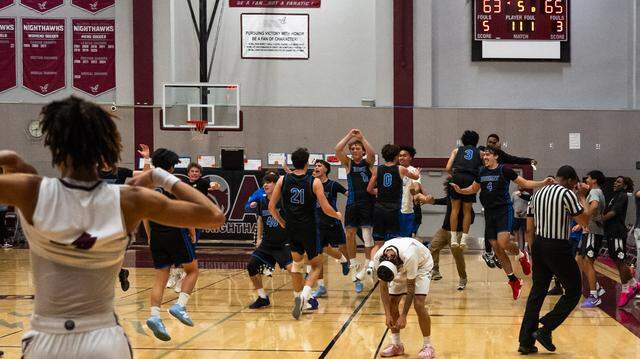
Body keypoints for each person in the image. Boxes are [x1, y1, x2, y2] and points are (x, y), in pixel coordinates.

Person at [0, 96, 225, 358]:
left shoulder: (31, 191)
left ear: (54, 144)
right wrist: (160, 176)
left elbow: (15, 165)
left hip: (47, 339)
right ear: (106, 149)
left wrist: (9, 157)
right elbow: (214, 216)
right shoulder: (129, 200)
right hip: (103, 339)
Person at [451, 147, 553, 300]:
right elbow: (473, 189)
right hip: (490, 213)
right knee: (497, 249)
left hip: (503, 210)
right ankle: (514, 281)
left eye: (488, 154)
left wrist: (543, 182)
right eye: (484, 154)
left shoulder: (504, 170)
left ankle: (521, 254)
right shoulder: (481, 172)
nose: (485, 157)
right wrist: (461, 191)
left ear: (496, 156)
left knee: (503, 242)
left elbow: (524, 182)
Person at [518, 165, 590, 355]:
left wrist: (533, 252)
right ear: (568, 179)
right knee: (574, 290)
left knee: (537, 292)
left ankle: (525, 342)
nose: (574, 186)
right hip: (557, 246)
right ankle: (546, 328)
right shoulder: (566, 194)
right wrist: (581, 196)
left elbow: (529, 228)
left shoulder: (537, 195)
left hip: (539, 245)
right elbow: (584, 221)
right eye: (574, 183)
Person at [269, 148, 342, 319]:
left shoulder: (282, 179)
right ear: (307, 161)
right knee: (317, 265)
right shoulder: (314, 182)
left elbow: (272, 207)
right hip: (309, 228)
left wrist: (281, 222)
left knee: (297, 264)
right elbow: (325, 208)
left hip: (291, 228)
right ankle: (304, 296)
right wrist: (337, 215)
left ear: (293, 162)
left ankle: (298, 298)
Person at [142, 148, 204, 341]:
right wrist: (192, 231)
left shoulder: (148, 183)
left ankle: (154, 316)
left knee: (161, 277)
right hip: (176, 231)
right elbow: (187, 211)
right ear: (171, 166)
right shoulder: (176, 183)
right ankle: (180, 306)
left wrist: (150, 235)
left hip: (156, 234)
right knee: (193, 270)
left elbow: (145, 213)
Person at [375, 237, 435, 359]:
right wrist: (387, 314)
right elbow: (383, 287)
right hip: (401, 265)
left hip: (422, 265)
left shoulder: (410, 255)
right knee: (392, 302)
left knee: (418, 304)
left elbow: (410, 287)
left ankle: (428, 346)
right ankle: (397, 345)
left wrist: (403, 316)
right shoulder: (378, 258)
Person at [335, 129, 377, 293]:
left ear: (363, 150)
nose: (354, 151)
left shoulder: (368, 163)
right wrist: (349, 136)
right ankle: (354, 267)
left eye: (357, 148)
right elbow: (338, 149)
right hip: (352, 203)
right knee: (349, 235)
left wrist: (362, 138)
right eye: (352, 149)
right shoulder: (349, 163)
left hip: (367, 203)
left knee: (367, 236)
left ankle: (368, 266)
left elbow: (373, 153)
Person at [246, 173, 292, 309]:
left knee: (293, 271)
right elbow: (260, 219)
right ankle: (262, 297)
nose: (265, 184)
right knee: (251, 266)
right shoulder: (261, 201)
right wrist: (259, 238)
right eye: (264, 182)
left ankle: (308, 296)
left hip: (284, 243)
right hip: (267, 243)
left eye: (270, 182)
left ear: (277, 185)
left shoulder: (284, 201)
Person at [415, 180, 470, 290]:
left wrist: (464, 233)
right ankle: (435, 271)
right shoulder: (450, 198)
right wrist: (430, 200)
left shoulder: (464, 202)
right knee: (432, 247)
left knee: (458, 257)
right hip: (444, 230)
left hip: (457, 232)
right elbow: (437, 201)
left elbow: (470, 217)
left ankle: (463, 279)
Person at [367, 144, 420, 258]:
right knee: (394, 243)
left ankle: (372, 265)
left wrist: (380, 192)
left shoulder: (378, 169)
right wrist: (417, 174)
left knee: (377, 244)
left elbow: (369, 189)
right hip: (394, 210)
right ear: (396, 156)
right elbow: (415, 177)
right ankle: (390, 267)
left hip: (379, 209)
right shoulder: (400, 169)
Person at [311, 160, 350, 298]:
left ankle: (345, 261)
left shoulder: (333, 185)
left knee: (341, 247)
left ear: (326, 169)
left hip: (332, 221)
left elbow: (349, 194)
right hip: (317, 223)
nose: (316, 167)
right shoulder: (311, 184)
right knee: (318, 254)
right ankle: (321, 286)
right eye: (315, 166)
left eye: (319, 166)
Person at [98, 164, 134, 292]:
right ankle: (121, 272)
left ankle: (119, 272)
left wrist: (146, 158)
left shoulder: (121, 171)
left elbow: (145, 174)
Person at [605, 176, 639, 307]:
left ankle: (626, 289)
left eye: (618, 182)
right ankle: (634, 284)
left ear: (624, 186)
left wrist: (600, 219)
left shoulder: (623, 196)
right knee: (617, 261)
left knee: (621, 261)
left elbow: (613, 213)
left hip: (617, 232)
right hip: (611, 232)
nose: (615, 183)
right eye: (615, 181)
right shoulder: (615, 196)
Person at [575, 170, 607, 308]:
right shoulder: (595, 191)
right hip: (589, 231)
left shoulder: (595, 192)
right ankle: (597, 286)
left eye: (587, 177)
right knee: (579, 259)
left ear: (594, 180)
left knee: (588, 261)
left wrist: (582, 197)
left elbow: (592, 208)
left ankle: (594, 296)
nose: (586, 179)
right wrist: (580, 224)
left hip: (593, 232)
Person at [445, 130, 482, 250]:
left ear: (463, 140)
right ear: (476, 141)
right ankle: (464, 240)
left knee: (454, 210)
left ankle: (453, 239)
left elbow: (448, 168)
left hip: (457, 176)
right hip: (471, 178)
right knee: (467, 211)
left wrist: (453, 176)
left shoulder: (456, 151)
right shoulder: (480, 153)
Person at [398, 145, 422, 237]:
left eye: (404, 155)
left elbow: (416, 188)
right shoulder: (395, 169)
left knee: (406, 239)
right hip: (394, 209)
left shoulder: (414, 171)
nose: (401, 157)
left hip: (407, 210)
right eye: (400, 155)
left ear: (410, 158)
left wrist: (413, 191)